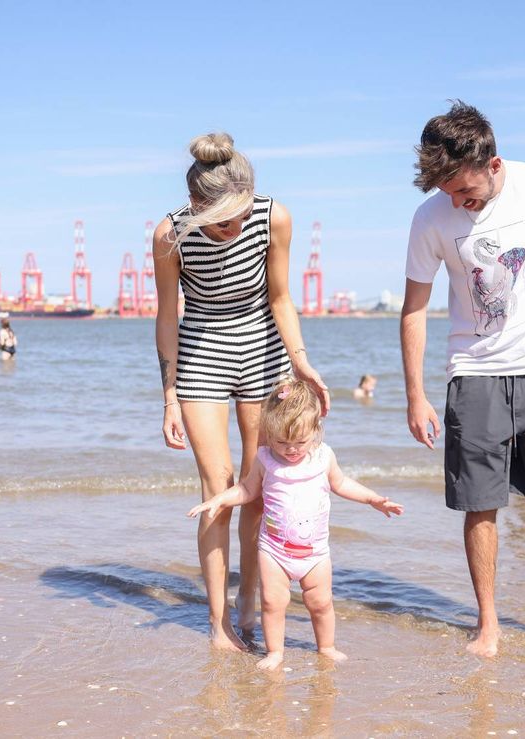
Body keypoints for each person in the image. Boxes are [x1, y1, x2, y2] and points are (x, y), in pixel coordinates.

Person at [400, 101, 525, 661]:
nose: (458, 204)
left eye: (466, 192)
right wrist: (416, 394)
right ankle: (488, 625)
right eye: (448, 194)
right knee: (479, 506)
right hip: (473, 373)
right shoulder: (431, 218)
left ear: (494, 163)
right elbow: (414, 308)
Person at [154, 132, 330, 652]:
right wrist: (169, 396)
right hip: (202, 351)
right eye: (222, 220)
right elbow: (168, 317)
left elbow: (280, 296)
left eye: (240, 215)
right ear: (195, 206)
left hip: (264, 350)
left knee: (258, 488)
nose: (234, 228)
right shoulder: (170, 235)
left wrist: (302, 363)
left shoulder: (274, 217)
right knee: (218, 488)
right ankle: (219, 623)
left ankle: (253, 602)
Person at [187, 379, 403, 670]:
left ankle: (326, 647)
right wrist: (219, 500)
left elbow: (341, 483)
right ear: (268, 433)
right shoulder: (264, 459)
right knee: (274, 604)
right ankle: (275, 652)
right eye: (281, 442)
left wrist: (373, 499)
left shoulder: (323, 457)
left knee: (321, 603)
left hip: (315, 554)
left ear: (316, 430)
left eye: (300, 442)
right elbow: (247, 490)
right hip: (274, 552)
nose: (290, 450)